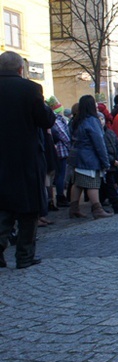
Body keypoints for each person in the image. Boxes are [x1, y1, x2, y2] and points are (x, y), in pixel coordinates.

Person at [0, 51, 55, 269]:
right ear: (20, 69)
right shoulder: (30, 89)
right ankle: (24, 255)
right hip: (25, 157)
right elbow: (46, 120)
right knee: (29, 207)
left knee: (3, 206)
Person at [67, 96, 113, 220]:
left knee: (78, 183)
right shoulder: (92, 120)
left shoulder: (76, 121)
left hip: (77, 155)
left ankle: (74, 209)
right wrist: (105, 161)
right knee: (92, 183)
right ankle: (97, 209)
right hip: (89, 156)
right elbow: (98, 142)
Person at [99, 111, 118, 214]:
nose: (101, 121)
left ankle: (113, 203)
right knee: (108, 185)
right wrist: (112, 160)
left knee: (109, 184)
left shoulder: (110, 132)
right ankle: (117, 205)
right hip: (107, 163)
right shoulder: (99, 134)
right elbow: (102, 149)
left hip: (114, 162)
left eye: (102, 119)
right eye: (99, 119)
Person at [47, 96, 71, 208]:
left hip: (56, 150)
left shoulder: (54, 119)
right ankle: (60, 196)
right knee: (60, 175)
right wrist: (70, 146)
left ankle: (55, 197)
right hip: (61, 150)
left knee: (56, 176)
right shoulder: (56, 119)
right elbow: (63, 135)